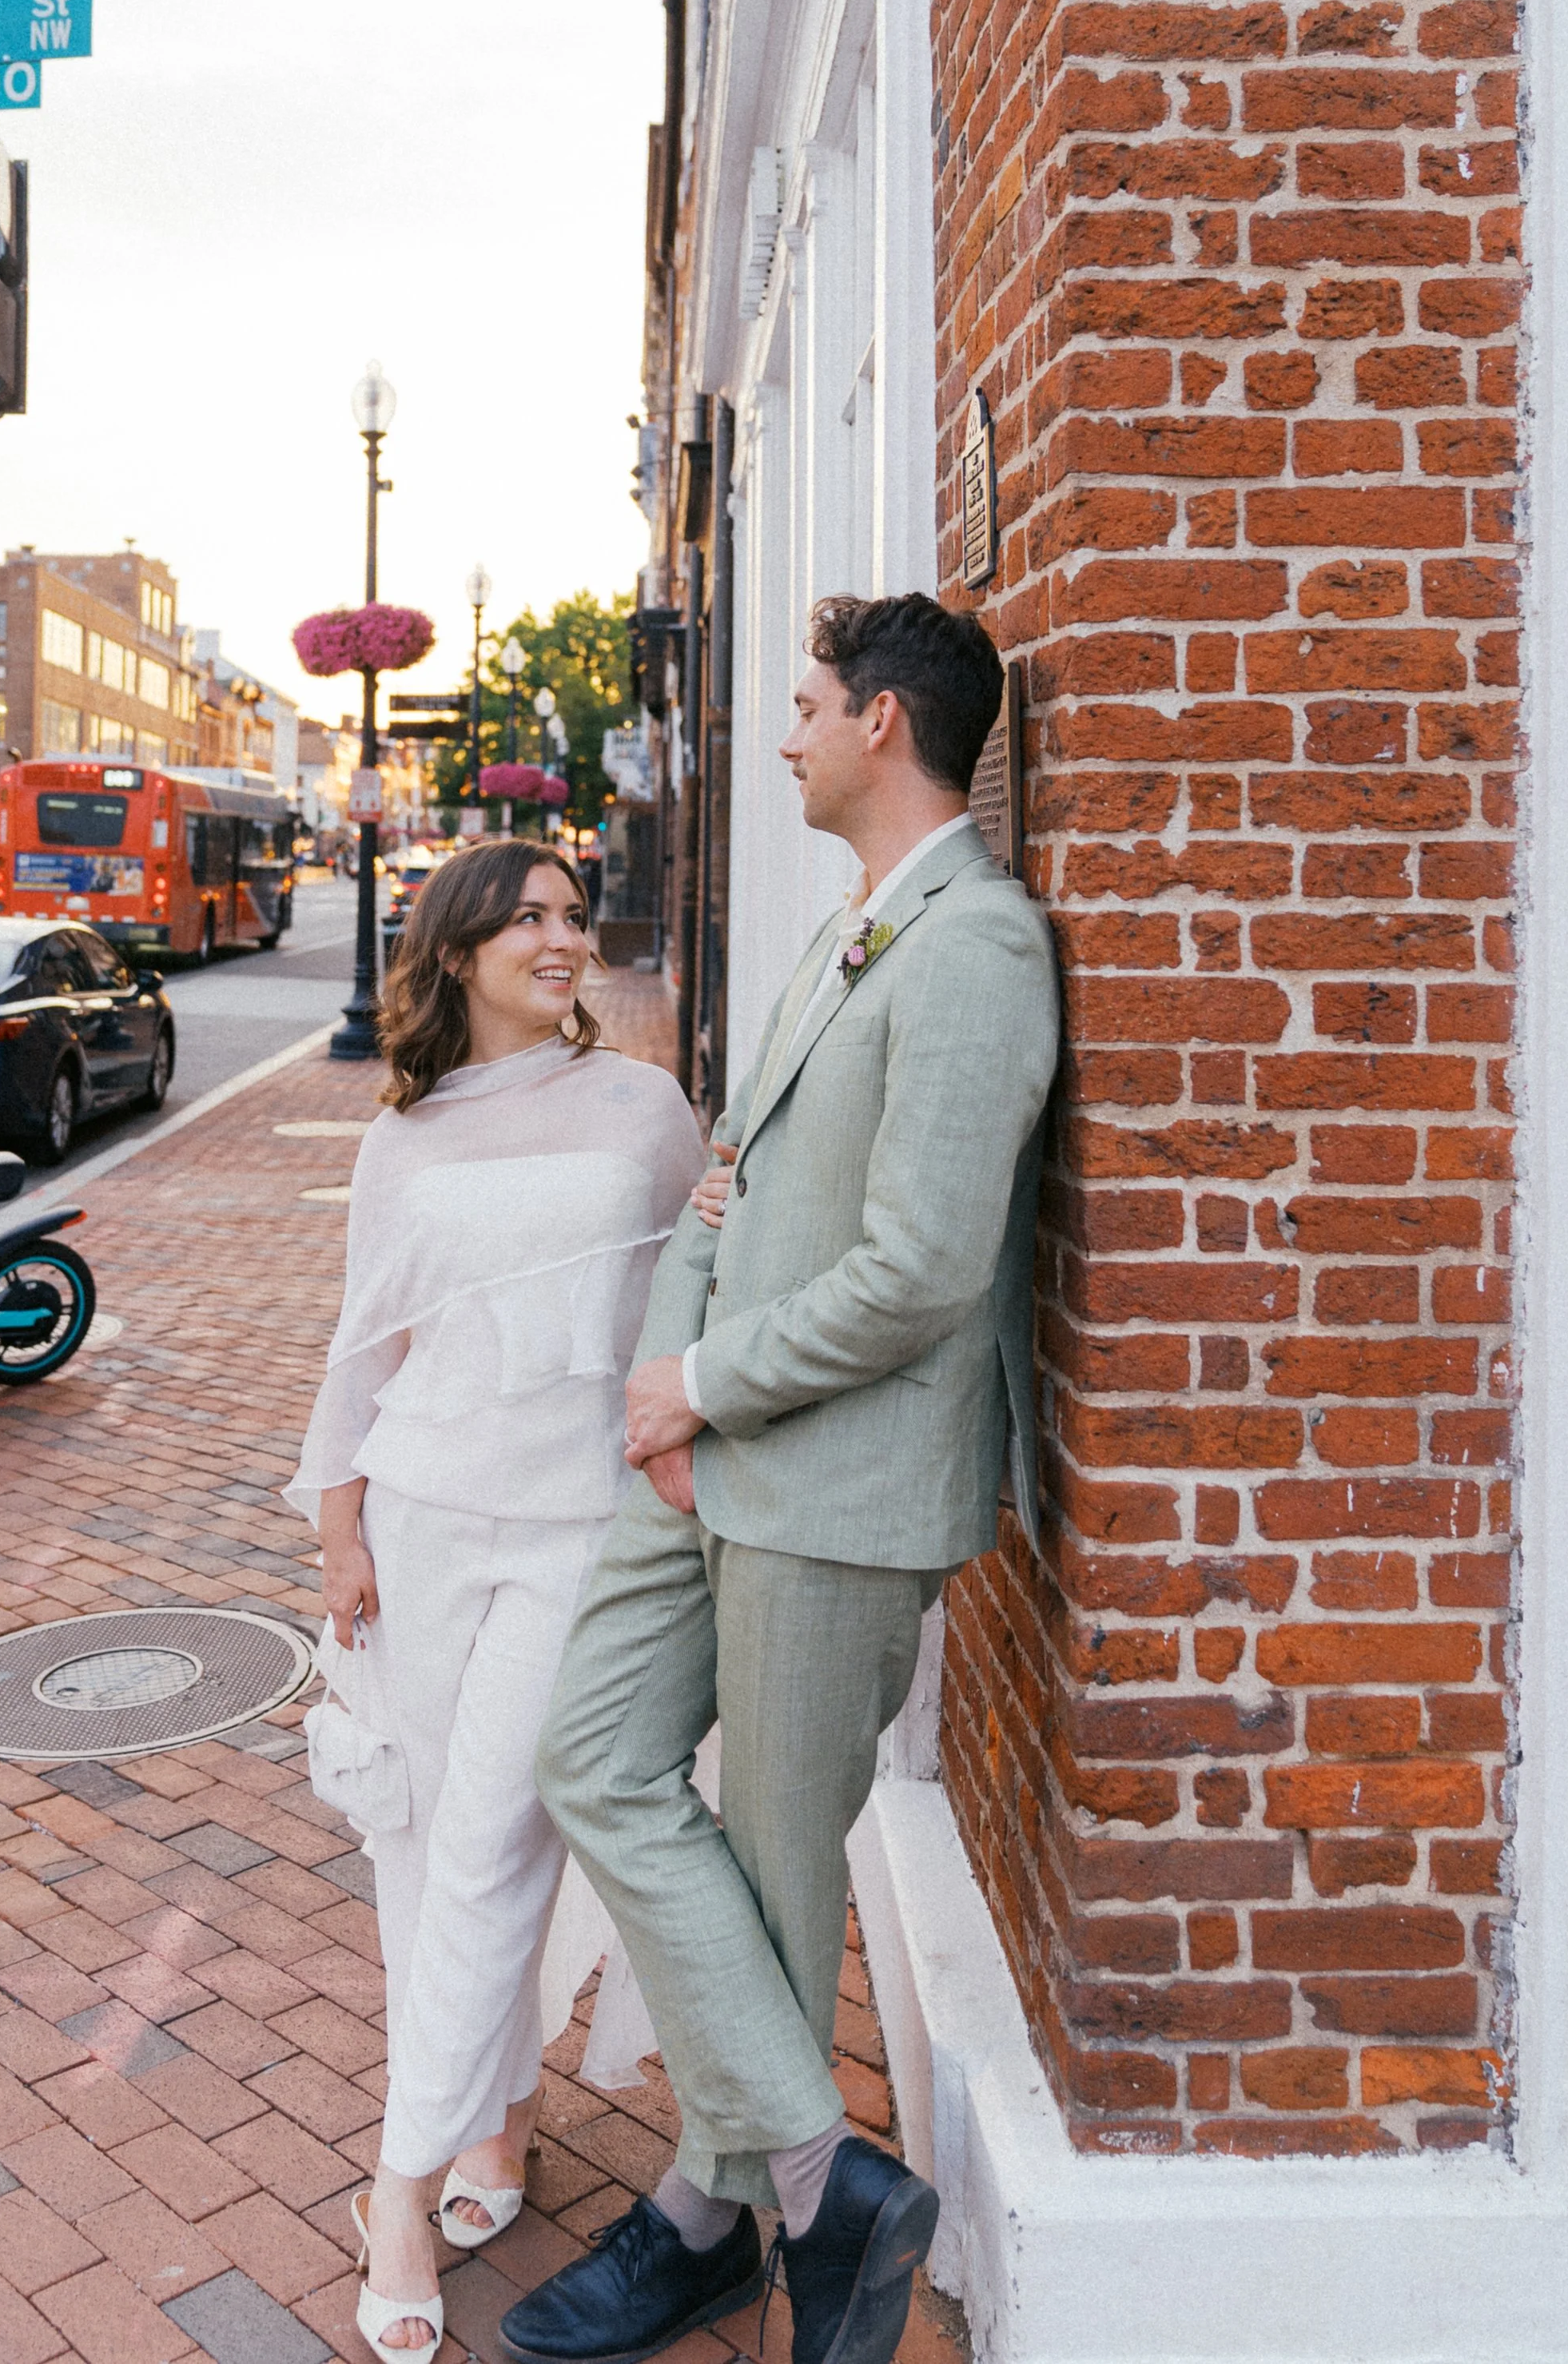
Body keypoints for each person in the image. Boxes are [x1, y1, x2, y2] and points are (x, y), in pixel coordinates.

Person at [502, 592, 1061, 2364]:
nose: (790, 730)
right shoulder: (845, 931)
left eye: (811, 702)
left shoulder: (977, 948)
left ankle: (705, 2217)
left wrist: (707, 1385)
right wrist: (667, 1398)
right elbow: (727, 1175)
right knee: (593, 1755)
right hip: (711, 1448)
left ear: (884, 721)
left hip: (838, 1485)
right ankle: (824, 2181)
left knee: (773, 1862)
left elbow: (921, 1271)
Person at [286, 838, 706, 2364]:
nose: (562, 938)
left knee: (492, 1838)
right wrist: (340, 1525)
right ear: (458, 949)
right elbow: (366, 1342)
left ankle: (396, 2187)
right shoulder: (403, 1134)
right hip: (422, 1517)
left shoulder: (645, 1109)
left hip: (575, 1524)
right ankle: (500, 2107)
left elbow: (697, 1301)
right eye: (527, 917)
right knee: (423, 1844)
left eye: (574, 916)